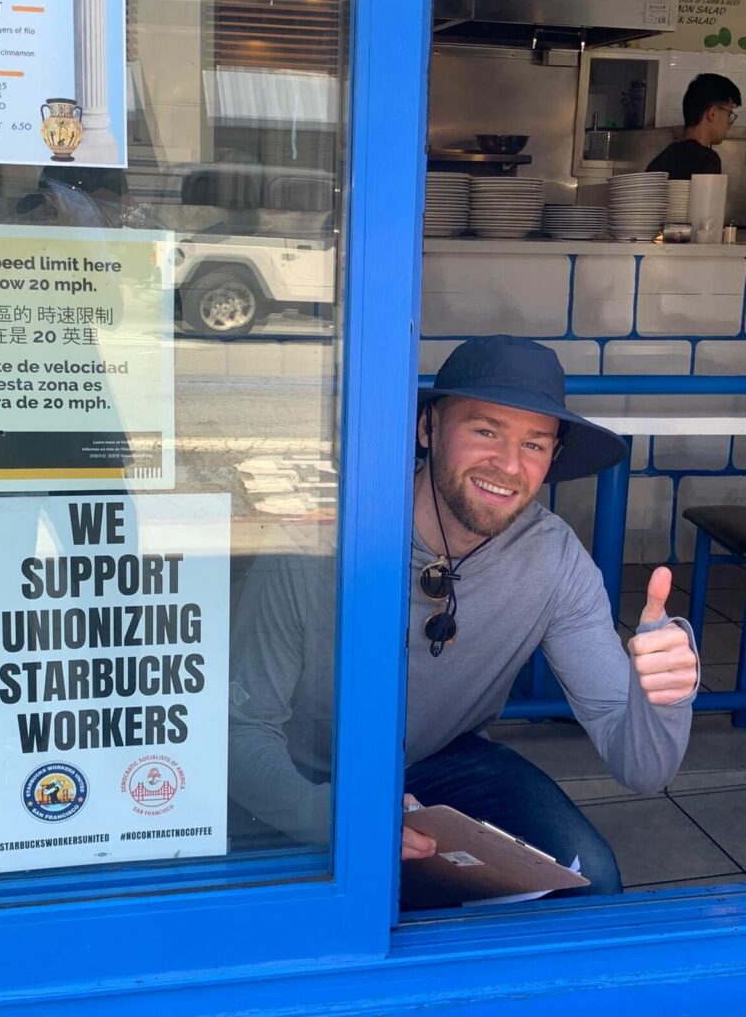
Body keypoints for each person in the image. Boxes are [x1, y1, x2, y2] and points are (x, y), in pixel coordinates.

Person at [228, 336, 699, 898]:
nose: (508, 464)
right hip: (308, 776)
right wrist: (334, 815)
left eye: (535, 444)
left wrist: (664, 699)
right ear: (428, 428)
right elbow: (241, 731)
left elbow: (642, 770)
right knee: (333, 913)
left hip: (441, 760)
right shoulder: (316, 547)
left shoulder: (554, 557)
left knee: (588, 883)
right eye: (485, 430)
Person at [646, 72, 741, 180]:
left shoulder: (664, 157)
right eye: (729, 115)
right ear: (712, 113)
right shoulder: (706, 159)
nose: (729, 125)